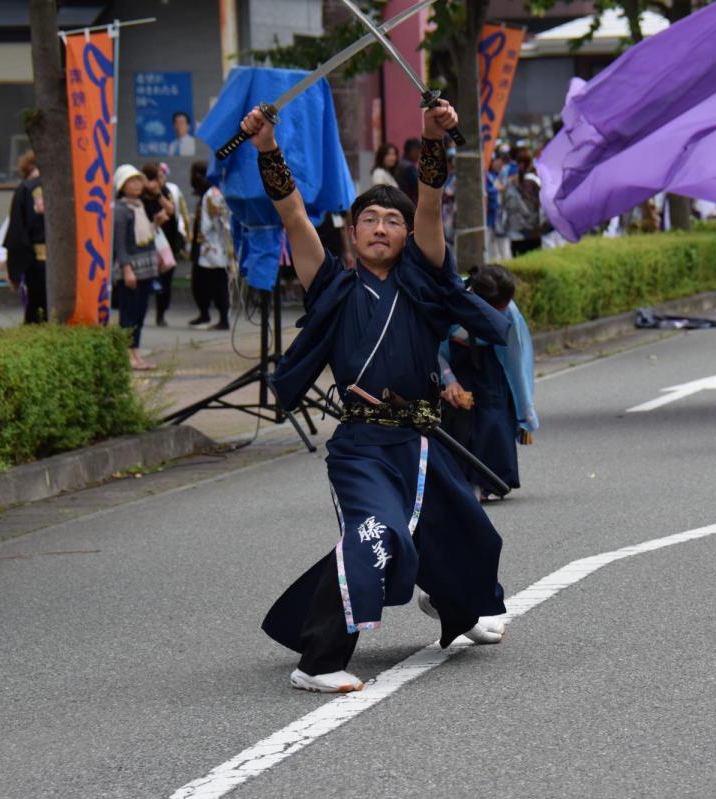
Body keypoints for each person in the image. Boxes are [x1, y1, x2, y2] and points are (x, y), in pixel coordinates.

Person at [240, 100, 511, 693]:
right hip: (362, 444)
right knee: (378, 534)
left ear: (405, 232)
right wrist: (267, 149)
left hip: (420, 440)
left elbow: (433, 203)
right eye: (370, 220)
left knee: (470, 532)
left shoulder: (426, 280)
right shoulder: (331, 287)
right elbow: (292, 217)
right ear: (353, 232)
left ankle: (456, 607)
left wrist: (431, 136)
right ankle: (317, 661)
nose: (382, 228)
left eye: (394, 219)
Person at [439, 265, 538, 500]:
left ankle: (489, 481)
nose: (502, 313)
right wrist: (448, 381)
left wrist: (526, 412)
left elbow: (516, 361)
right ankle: (458, 483)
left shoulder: (509, 312)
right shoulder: (450, 299)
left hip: (492, 360)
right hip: (453, 357)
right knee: (458, 416)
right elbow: (432, 345)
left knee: (494, 415)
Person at [112, 164, 160, 370]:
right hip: (131, 270)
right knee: (129, 313)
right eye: (131, 181)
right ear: (122, 186)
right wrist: (126, 268)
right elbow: (120, 243)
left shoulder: (140, 206)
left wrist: (156, 223)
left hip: (146, 269)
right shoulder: (121, 211)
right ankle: (126, 354)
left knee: (140, 312)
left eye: (138, 180)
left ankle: (136, 353)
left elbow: (145, 236)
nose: (137, 184)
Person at [188, 162, 233, 331]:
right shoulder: (212, 192)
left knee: (216, 283)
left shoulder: (213, 193)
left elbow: (216, 222)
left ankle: (222, 319)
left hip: (213, 246)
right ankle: (206, 314)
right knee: (204, 282)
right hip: (209, 246)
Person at [3, 151, 47, 324]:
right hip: (69, 265)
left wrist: (14, 273)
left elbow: (16, 234)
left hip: (37, 264)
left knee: (37, 313)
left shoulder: (25, 189)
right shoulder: (66, 186)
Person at [140, 163, 183, 326]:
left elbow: (171, 210)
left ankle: (161, 313)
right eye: (159, 177)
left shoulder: (163, 191)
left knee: (166, 277)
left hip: (165, 241)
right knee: (145, 277)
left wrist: (158, 193)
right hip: (146, 240)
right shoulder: (141, 193)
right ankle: (142, 312)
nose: (162, 180)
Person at [396, 137, 421, 203]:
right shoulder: (409, 167)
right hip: (408, 202)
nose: (419, 155)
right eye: (418, 152)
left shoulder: (400, 163)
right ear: (413, 151)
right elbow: (418, 187)